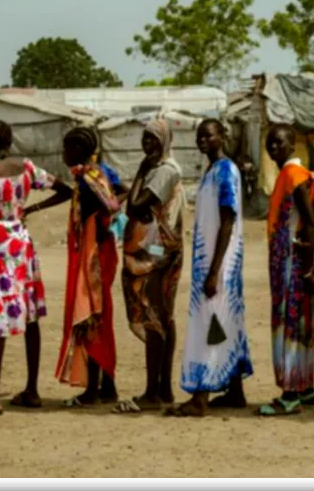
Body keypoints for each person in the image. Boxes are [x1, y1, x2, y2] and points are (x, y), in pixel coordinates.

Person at [0, 120, 74, 416]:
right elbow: (66, 191)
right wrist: (32, 208)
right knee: (30, 317)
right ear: (11, 142)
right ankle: (32, 390)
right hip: (21, 245)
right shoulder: (26, 168)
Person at [168, 119, 253, 417]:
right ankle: (235, 391)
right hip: (212, 261)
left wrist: (215, 270)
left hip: (220, 262)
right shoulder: (211, 171)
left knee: (211, 323)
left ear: (223, 137)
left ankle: (200, 397)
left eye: (209, 135)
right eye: (199, 136)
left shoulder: (226, 171)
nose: (203, 140)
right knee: (226, 322)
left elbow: (227, 219)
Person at [39, 127, 125, 407]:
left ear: (78, 149)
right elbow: (120, 193)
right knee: (100, 318)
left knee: (91, 316)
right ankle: (107, 386)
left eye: (66, 148)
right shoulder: (99, 173)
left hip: (93, 256)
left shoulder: (90, 179)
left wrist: (102, 221)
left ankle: (93, 390)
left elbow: (111, 202)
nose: (63, 153)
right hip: (98, 251)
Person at [114, 119, 185, 414]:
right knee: (163, 318)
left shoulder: (162, 171)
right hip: (160, 249)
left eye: (153, 139)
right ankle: (163, 388)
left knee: (156, 319)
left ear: (165, 142)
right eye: (145, 138)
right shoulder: (164, 169)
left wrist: (142, 170)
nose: (147, 144)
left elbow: (135, 206)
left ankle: (152, 392)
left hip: (158, 252)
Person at [258, 124, 314, 416]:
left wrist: (307, 268)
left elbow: (309, 223)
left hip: (293, 263)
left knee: (291, 323)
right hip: (293, 261)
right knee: (301, 322)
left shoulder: (294, 176)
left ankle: (291, 392)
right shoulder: (294, 175)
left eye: (279, 143)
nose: (273, 149)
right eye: (270, 144)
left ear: (291, 145)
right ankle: (305, 386)